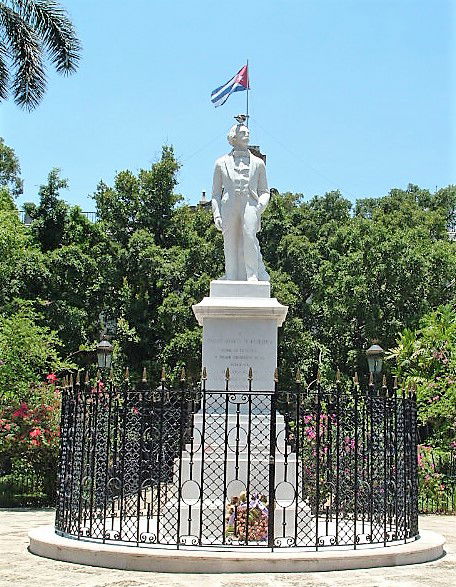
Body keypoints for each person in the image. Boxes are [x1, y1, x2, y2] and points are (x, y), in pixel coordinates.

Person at [211, 121, 270, 281]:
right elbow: (215, 193)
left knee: (250, 237)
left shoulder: (258, 163)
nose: (247, 135)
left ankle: (252, 275)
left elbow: (265, 191)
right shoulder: (220, 163)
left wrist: (261, 205)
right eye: (243, 133)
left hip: (250, 204)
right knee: (229, 241)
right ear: (234, 138)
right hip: (228, 205)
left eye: (248, 132)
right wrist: (217, 215)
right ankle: (231, 275)